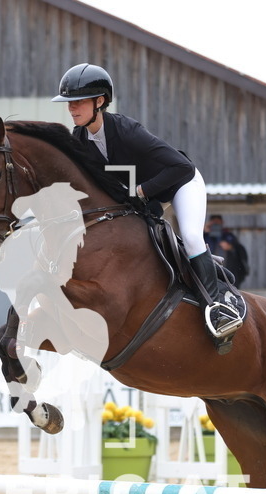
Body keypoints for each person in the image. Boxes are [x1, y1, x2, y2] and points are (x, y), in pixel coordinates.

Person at [52, 63, 243, 339]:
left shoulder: (127, 130)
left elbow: (182, 168)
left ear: (100, 101)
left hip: (181, 183)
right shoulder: (79, 139)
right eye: (69, 103)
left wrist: (142, 192)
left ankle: (217, 307)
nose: (71, 109)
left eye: (78, 102)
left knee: (189, 236)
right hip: (144, 197)